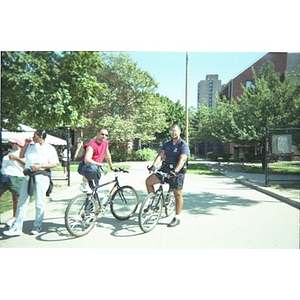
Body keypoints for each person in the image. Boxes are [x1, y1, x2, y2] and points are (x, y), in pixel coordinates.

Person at [4, 130, 59, 237]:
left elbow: (54, 164)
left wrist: (40, 166)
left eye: (35, 136)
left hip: (41, 175)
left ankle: (37, 225)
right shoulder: (31, 146)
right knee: (22, 202)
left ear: (40, 137)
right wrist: (26, 144)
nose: (32, 137)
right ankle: (17, 227)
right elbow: (21, 155)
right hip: (28, 175)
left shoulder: (49, 148)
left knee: (39, 202)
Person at [146, 124, 190, 227]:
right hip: (165, 169)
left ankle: (177, 217)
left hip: (177, 172)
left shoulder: (183, 145)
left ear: (179, 132)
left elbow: (182, 159)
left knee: (177, 194)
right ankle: (153, 204)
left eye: (175, 131)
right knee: (148, 182)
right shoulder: (167, 144)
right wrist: (153, 166)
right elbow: (160, 156)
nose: (173, 133)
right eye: (172, 131)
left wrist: (175, 171)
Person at [77, 128, 116, 193]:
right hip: (86, 168)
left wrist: (111, 166)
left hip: (95, 169)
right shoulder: (92, 145)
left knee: (95, 191)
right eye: (102, 134)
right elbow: (87, 160)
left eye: (106, 135)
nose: (104, 136)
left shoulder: (105, 143)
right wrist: (100, 164)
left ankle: (91, 202)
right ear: (97, 134)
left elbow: (107, 155)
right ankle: (83, 184)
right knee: (92, 168)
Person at [0, 138, 26, 227]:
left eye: (13, 143)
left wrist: (16, 158)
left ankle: (14, 217)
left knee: (16, 198)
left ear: (17, 144)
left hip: (16, 177)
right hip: (5, 176)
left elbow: (26, 164)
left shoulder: (22, 153)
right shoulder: (10, 152)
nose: (11, 144)